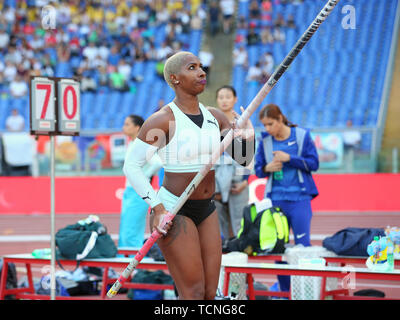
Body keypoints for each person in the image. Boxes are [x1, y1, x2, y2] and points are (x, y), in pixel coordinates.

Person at [123, 51, 255, 299]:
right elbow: (131, 166)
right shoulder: (162, 120)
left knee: (208, 293)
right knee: (192, 292)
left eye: (201, 67)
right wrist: (158, 208)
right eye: (192, 68)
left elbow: (244, 159)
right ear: (175, 78)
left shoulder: (215, 116)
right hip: (174, 210)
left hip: (207, 209)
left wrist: (248, 135)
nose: (202, 72)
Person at [254, 103, 319, 293]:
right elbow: (258, 170)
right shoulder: (265, 141)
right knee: (278, 249)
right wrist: (267, 168)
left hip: (300, 199)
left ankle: (304, 293)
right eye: (264, 125)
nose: (267, 129)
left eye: (270, 124)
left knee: (302, 248)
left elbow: (314, 164)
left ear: (280, 119)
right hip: (276, 200)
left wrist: (290, 159)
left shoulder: (302, 136)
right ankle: (284, 293)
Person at [118, 115, 162, 249]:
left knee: (131, 231)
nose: (123, 127)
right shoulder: (132, 143)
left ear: (137, 127)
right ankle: (126, 265)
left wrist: (143, 177)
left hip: (138, 192)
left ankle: (134, 266)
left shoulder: (142, 145)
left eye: (127, 124)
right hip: (130, 190)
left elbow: (157, 163)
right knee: (126, 230)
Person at [214, 85, 251, 240]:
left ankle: (239, 258)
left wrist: (244, 182)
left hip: (237, 181)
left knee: (239, 224)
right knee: (217, 224)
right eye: (221, 97)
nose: (224, 100)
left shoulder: (241, 123)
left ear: (235, 99)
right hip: (215, 182)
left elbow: (248, 154)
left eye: (228, 97)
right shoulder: (210, 124)